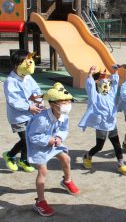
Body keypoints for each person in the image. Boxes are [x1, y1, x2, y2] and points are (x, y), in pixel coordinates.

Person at [26, 82, 80, 217]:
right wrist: (48, 140)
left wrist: (59, 138)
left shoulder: (63, 116)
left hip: (54, 143)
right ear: (52, 104)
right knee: (43, 171)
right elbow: (33, 136)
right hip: (38, 146)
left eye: (68, 101)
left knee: (66, 158)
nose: (67, 104)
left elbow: (63, 129)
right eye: (63, 102)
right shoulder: (41, 119)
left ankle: (67, 181)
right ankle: (40, 202)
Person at [78, 66, 126, 175]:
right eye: (103, 84)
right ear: (99, 86)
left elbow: (115, 84)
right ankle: (87, 156)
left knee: (116, 144)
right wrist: (90, 75)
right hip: (101, 124)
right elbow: (90, 87)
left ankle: (121, 164)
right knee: (99, 146)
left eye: (108, 84)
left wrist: (115, 71)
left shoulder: (111, 94)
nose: (106, 86)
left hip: (112, 124)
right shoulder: (95, 96)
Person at [3, 49, 42, 173]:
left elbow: (36, 90)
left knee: (29, 139)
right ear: (16, 64)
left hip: (31, 115)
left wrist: (39, 102)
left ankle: (23, 160)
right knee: (26, 139)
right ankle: (10, 155)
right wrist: (28, 107)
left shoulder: (28, 77)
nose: (28, 64)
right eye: (25, 61)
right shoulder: (11, 81)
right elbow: (13, 100)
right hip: (18, 117)